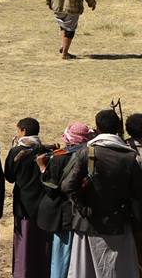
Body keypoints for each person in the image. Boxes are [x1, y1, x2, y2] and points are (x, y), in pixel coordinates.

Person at [61, 110, 142, 278]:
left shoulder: (86, 152)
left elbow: (67, 186)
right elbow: (137, 194)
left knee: (86, 271)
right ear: (118, 128)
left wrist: (83, 208)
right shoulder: (129, 157)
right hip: (118, 224)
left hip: (88, 224)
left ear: (97, 128)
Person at [36, 122, 94, 278]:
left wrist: (42, 168)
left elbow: (51, 189)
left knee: (61, 256)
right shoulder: (91, 156)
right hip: (83, 212)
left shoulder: (59, 158)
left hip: (63, 214)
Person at [4, 118, 51, 278]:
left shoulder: (17, 152)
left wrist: (12, 150)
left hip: (24, 205)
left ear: (23, 131)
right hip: (43, 204)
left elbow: (9, 177)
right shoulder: (46, 150)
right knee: (42, 243)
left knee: (24, 244)